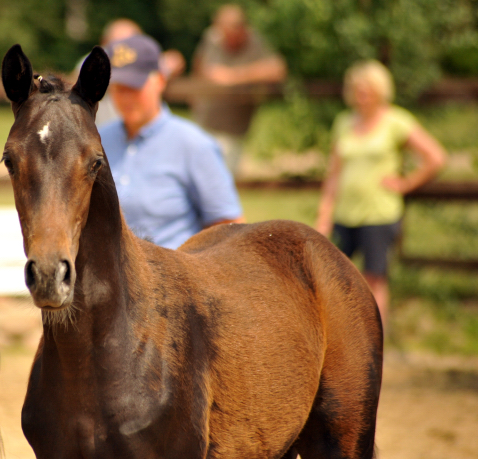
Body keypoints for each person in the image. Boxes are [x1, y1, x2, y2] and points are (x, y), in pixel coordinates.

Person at [315, 60, 447, 329]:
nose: (361, 95)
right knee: (334, 278)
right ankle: (342, 340)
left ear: (380, 91)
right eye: (357, 89)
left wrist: (406, 183)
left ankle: (376, 344)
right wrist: (325, 213)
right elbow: (334, 173)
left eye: (367, 89)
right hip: (346, 212)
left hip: (378, 212)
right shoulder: (344, 122)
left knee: (375, 279)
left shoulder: (395, 121)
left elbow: (436, 157)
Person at [98, 34, 245, 250]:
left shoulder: (194, 145)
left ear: (160, 80)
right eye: (119, 88)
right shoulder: (98, 141)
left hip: (171, 276)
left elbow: (229, 226)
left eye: (135, 87)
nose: (126, 97)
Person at [191, 3, 287, 175]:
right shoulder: (213, 37)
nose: (223, 37)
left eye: (228, 33)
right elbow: (201, 66)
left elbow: (278, 69)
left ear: (241, 29)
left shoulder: (254, 41)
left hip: (232, 130)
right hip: (203, 123)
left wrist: (233, 76)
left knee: (222, 182)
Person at [73, 18, 185, 127]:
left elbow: (171, 63)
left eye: (131, 44)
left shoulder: (145, 62)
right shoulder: (94, 62)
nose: (124, 49)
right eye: (116, 44)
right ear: (104, 43)